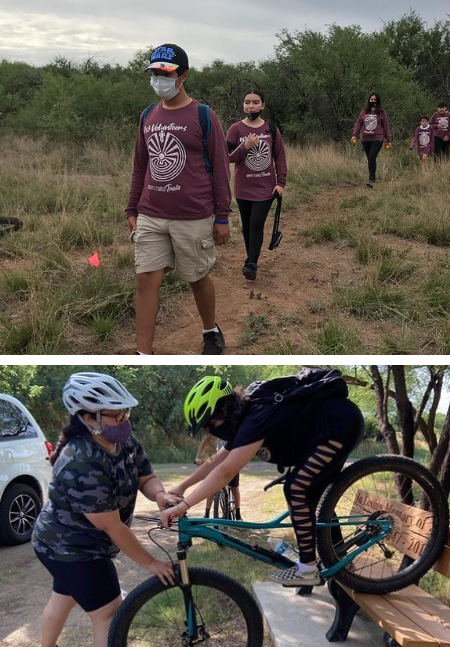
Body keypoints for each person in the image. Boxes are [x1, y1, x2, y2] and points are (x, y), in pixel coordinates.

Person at [31, 372, 178, 647]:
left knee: (62, 599)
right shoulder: (81, 459)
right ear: (88, 418)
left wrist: (159, 494)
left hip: (62, 541)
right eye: (115, 414)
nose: (123, 420)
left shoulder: (122, 439)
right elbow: (112, 526)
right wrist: (152, 563)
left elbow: (144, 474)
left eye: (125, 412)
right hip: (71, 547)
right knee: (108, 613)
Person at [163, 370, 365, 585]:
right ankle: (339, 559)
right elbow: (216, 461)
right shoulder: (242, 417)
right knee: (316, 496)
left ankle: (308, 569)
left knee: (296, 488)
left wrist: (183, 506)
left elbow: (225, 472)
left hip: (341, 425)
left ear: (224, 410)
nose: (211, 433)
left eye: (209, 425)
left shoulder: (255, 417)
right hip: (326, 430)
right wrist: (182, 486)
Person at [126, 44, 230, 355]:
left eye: (166, 73)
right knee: (146, 280)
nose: (159, 79)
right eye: (155, 73)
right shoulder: (148, 116)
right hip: (151, 213)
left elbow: (222, 169)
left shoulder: (203, 115)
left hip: (193, 215)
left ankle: (210, 330)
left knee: (197, 278)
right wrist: (131, 208)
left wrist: (222, 216)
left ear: (182, 76)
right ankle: (143, 353)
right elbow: (141, 166)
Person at [226, 89, 287, 282]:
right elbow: (226, 158)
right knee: (247, 226)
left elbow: (280, 158)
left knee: (256, 223)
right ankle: (251, 258)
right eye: (247, 102)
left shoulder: (271, 129)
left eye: (255, 102)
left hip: (265, 188)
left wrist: (281, 183)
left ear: (263, 105)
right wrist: (244, 147)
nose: (250, 106)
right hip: (243, 188)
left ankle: (251, 262)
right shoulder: (235, 129)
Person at [195, 431, 241, 519]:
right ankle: (207, 514)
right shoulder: (219, 429)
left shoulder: (235, 428)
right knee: (212, 486)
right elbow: (206, 440)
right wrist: (198, 457)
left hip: (233, 459)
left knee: (234, 487)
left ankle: (238, 513)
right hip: (220, 459)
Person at [350, 92, 392, 188]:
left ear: (378, 101)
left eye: (374, 99)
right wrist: (354, 135)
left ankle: (371, 180)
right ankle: (371, 177)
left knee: (372, 157)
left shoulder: (381, 112)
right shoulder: (364, 111)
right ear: (369, 100)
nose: (373, 101)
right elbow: (358, 124)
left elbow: (385, 127)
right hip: (366, 139)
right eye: (371, 99)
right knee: (370, 159)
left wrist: (388, 140)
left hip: (377, 138)